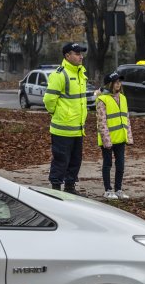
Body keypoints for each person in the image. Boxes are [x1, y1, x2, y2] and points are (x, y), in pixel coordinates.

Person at [43, 42, 89, 195]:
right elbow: (49, 100)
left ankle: (70, 187)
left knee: (76, 161)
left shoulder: (80, 72)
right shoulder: (60, 74)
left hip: (77, 128)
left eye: (81, 53)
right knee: (61, 161)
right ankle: (56, 190)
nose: (80, 56)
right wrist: (56, 114)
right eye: (77, 53)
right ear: (67, 56)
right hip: (62, 128)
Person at [96, 72, 133, 200]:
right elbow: (102, 122)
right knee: (107, 164)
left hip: (120, 138)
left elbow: (126, 118)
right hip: (108, 139)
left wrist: (128, 136)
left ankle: (118, 189)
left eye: (119, 81)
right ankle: (108, 190)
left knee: (121, 164)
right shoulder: (102, 99)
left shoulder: (123, 98)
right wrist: (106, 140)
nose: (119, 84)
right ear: (110, 84)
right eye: (116, 82)